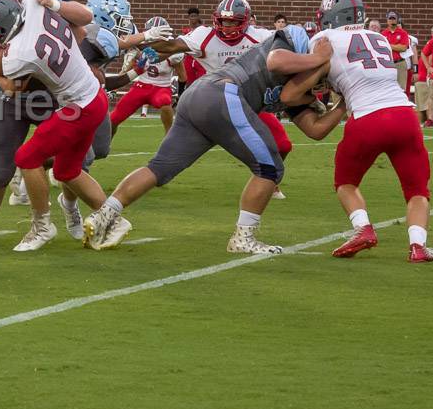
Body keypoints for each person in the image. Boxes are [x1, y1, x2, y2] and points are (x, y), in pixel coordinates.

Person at [86, 23, 340, 253]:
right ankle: (244, 237)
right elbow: (275, 62)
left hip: (201, 97)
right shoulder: (295, 41)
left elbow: (314, 130)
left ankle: (104, 215)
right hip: (222, 93)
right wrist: (318, 58)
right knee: (270, 167)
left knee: (159, 167)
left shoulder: (300, 90)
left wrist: (342, 107)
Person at [282, 0, 433, 262]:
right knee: (417, 190)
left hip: (367, 117)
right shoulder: (378, 37)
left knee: (346, 181)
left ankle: (362, 229)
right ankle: (418, 246)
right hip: (404, 116)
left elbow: (311, 76)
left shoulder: (323, 38)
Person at [0, 0, 112, 252]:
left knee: (45, 160)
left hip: (68, 101)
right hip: (81, 97)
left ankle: (52, 220)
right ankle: (112, 219)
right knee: (15, 167)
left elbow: (11, 83)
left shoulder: (22, 49)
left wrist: (56, 4)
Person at [142, 0, 296, 200]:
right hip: (215, 104)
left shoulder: (260, 36)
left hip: (249, 104)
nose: (228, 26)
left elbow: (288, 44)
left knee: (283, 145)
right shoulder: (204, 35)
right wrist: (144, 43)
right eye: (224, 21)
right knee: (170, 157)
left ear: (246, 21)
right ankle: (153, 174)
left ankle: (268, 181)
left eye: (233, 21)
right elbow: (172, 47)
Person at [111, 17, 180, 135]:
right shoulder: (140, 45)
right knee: (113, 119)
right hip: (141, 86)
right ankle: (104, 144)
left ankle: (169, 135)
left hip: (162, 87)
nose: (154, 39)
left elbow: (182, 75)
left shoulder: (173, 49)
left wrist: (181, 94)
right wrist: (115, 87)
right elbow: (129, 68)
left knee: (165, 102)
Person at [380, 11, 411, 91]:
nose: (392, 21)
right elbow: (382, 49)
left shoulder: (403, 33)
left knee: (401, 88)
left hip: (400, 63)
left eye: (394, 19)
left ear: (397, 20)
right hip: (387, 64)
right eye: (390, 19)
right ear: (387, 20)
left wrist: (389, 45)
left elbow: (403, 47)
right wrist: (396, 46)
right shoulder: (383, 34)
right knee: (387, 88)